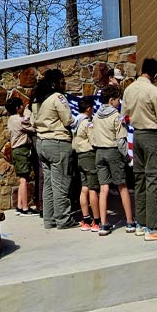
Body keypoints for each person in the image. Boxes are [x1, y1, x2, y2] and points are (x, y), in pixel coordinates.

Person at [122, 58, 157, 241]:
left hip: (136, 137)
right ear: (155, 74)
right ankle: (153, 228)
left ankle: (141, 223)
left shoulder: (129, 89)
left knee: (139, 180)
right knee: (153, 180)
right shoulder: (154, 91)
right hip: (151, 137)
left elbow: (126, 116)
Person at [30, 69, 77, 230]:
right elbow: (67, 119)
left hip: (41, 143)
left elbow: (31, 122)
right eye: (62, 82)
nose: (65, 85)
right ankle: (63, 219)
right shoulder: (57, 98)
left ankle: (49, 219)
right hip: (58, 142)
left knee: (48, 184)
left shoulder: (37, 100)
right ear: (55, 83)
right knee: (61, 184)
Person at [93, 85, 135, 236]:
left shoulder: (96, 116)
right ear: (111, 101)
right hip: (113, 152)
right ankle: (130, 222)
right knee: (122, 186)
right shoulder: (116, 117)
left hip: (99, 152)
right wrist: (127, 158)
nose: (119, 102)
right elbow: (121, 141)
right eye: (118, 99)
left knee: (104, 188)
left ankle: (104, 224)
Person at [5, 98, 39, 216]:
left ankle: (19, 206)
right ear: (17, 108)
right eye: (21, 106)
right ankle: (25, 207)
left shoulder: (11, 119)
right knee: (24, 179)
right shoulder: (19, 120)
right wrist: (28, 113)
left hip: (16, 150)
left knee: (22, 179)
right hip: (22, 150)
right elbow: (32, 128)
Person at [72, 98, 101, 232]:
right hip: (88, 155)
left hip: (79, 155)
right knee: (93, 188)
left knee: (84, 187)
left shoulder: (75, 121)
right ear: (89, 108)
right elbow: (93, 139)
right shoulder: (87, 122)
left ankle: (86, 219)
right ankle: (97, 220)